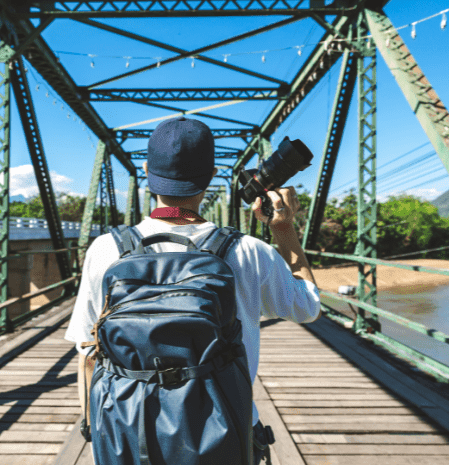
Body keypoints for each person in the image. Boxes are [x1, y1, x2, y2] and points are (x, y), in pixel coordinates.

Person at [64, 116, 321, 465]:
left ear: (145, 171)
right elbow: (307, 307)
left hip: (128, 434)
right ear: (212, 174)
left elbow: (89, 355)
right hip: (225, 431)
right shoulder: (248, 250)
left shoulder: (105, 250)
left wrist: (96, 433)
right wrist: (284, 229)